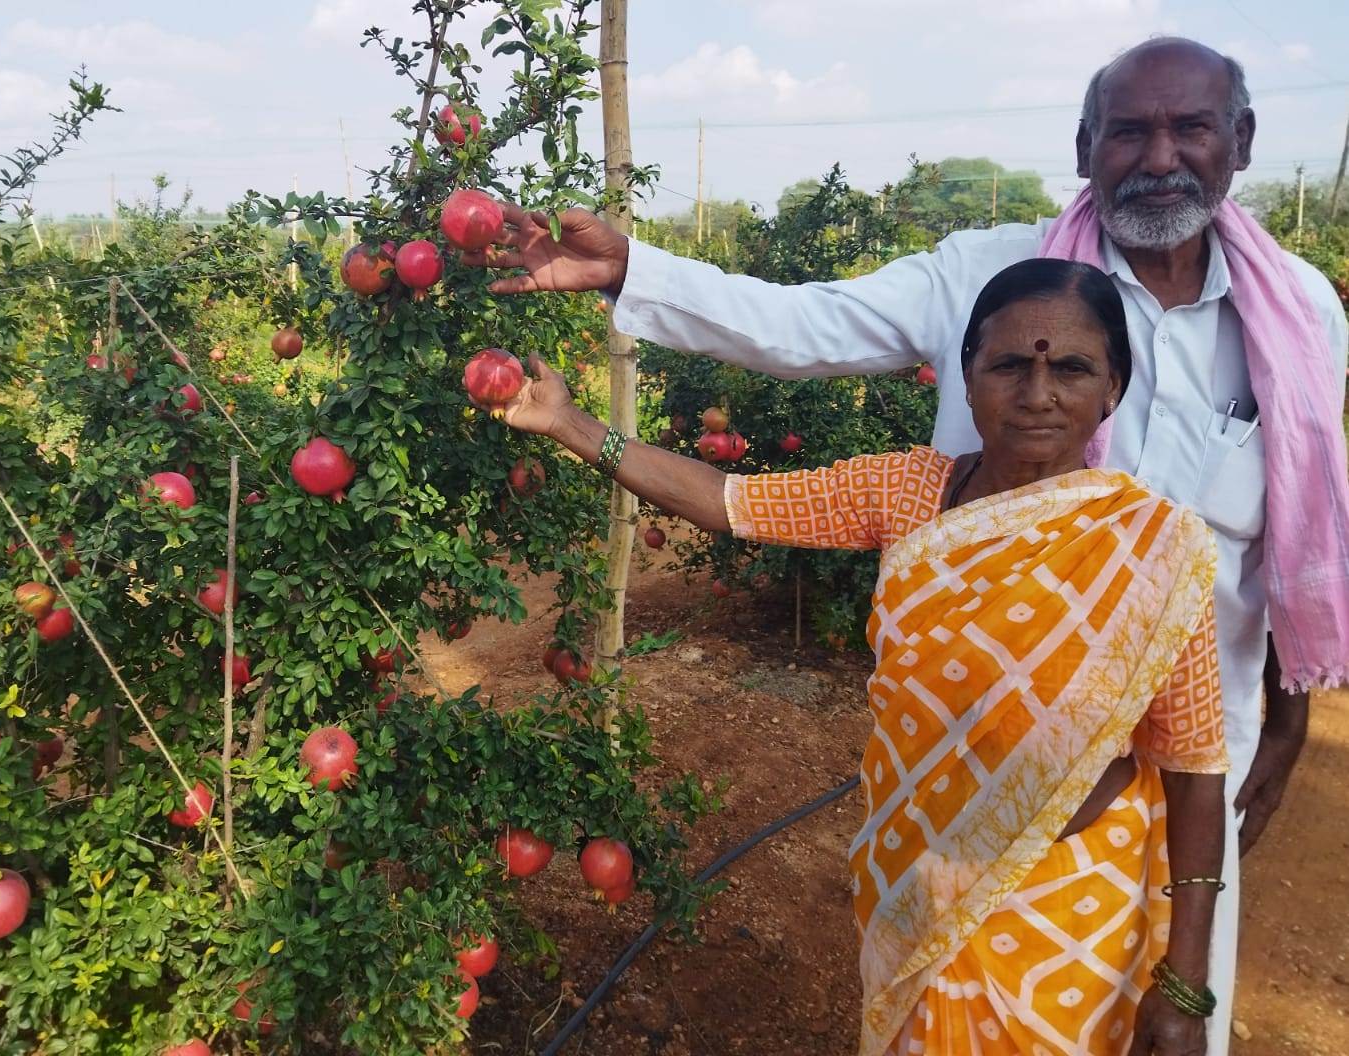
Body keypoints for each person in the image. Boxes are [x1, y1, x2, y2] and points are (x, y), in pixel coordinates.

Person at [466, 37, 1349, 1052]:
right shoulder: (987, 280)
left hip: (1201, 746)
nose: (1159, 155)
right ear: (1083, 145)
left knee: (1166, 1014)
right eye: (1127, 130)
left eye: (1189, 127)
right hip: (956, 777)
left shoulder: (1301, 313)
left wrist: (1287, 722)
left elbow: (1300, 520)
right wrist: (636, 276)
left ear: (1237, 140)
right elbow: (799, 328)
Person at [499, 258, 1228, 1055]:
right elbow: (728, 502)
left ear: (1113, 389)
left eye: (1073, 368)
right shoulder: (910, 493)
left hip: (1074, 912)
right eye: (1011, 365)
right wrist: (571, 425)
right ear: (968, 375)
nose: (1038, 393)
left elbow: (1194, 767)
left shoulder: (1152, 547)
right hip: (918, 880)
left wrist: (1185, 982)